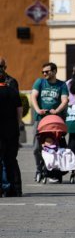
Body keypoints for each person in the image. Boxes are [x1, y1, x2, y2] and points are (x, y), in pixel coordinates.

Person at [31, 62, 69, 182]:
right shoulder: (40, 82)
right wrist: (38, 110)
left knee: (54, 146)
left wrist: (56, 111)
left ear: (54, 71)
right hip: (40, 119)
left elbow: (64, 100)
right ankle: (39, 169)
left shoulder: (61, 85)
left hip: (54, 120)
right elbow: (33, 96)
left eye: (47, 71)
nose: (44, 74)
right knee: (37, 148)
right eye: (43, 72)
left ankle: (53, 171)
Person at [0, 63, 23, 197]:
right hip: (12, 130)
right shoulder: (13, 92)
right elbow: (19, 111)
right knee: (11, 159)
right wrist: (17, 125)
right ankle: (16, 189)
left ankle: (2, 188)